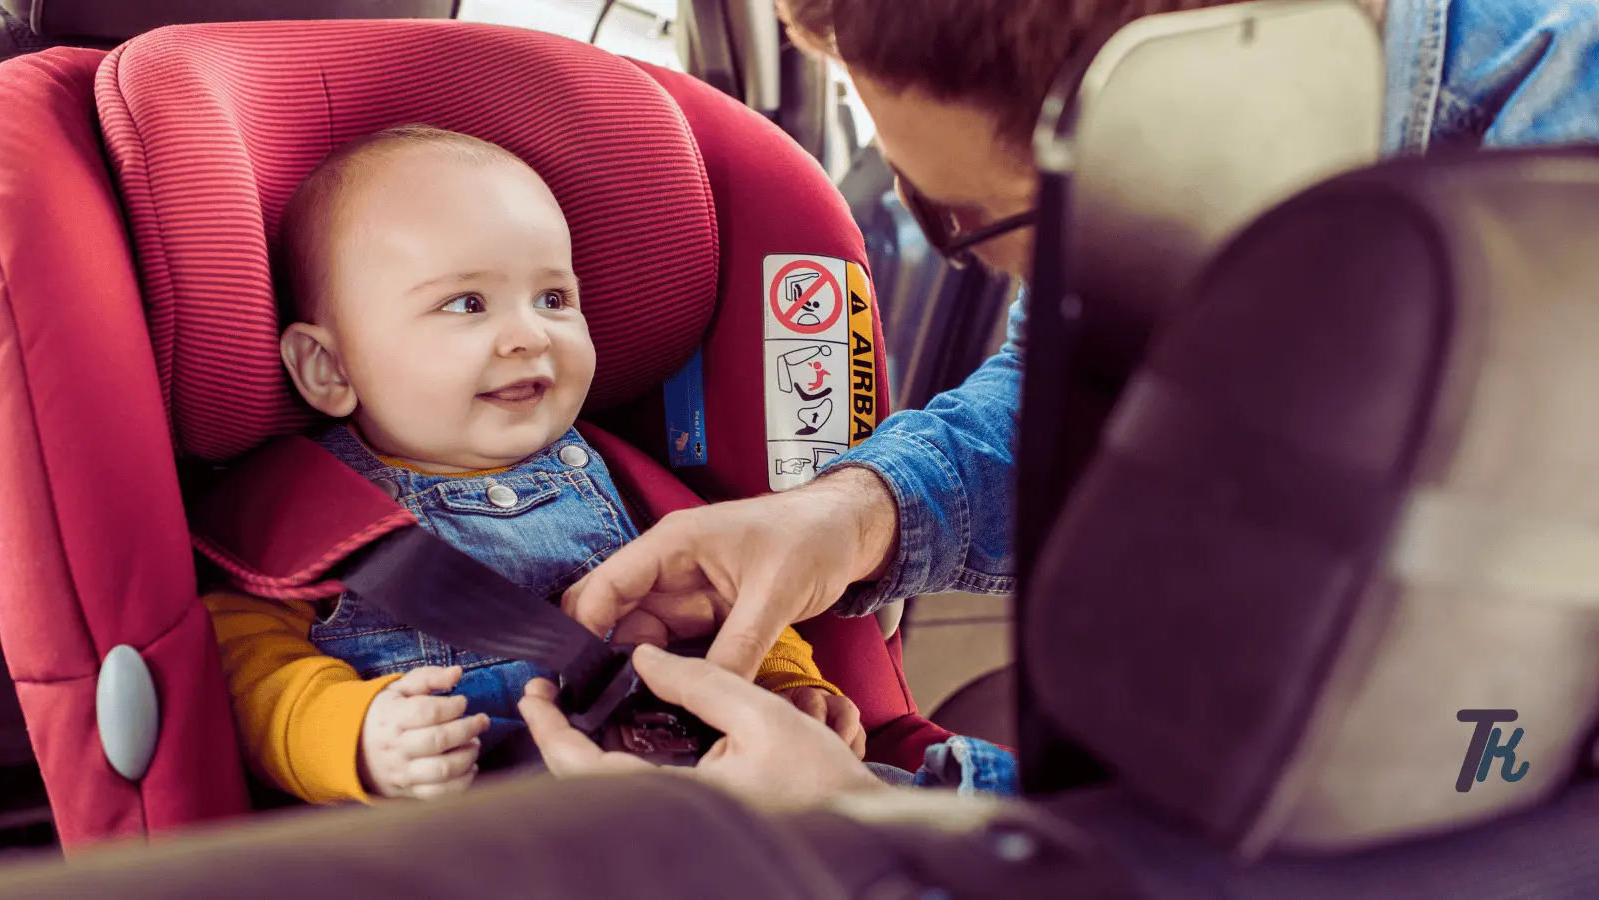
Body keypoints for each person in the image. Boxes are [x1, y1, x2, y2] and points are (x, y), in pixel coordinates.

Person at [547, 0, 1599, 797]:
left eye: (976, 217)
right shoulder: (1167, 164)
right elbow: (1091, 370)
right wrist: (849, 515)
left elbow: (1470, 792)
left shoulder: (1563, 179)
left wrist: (880, 832)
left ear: (1185, 101)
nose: (989, 270)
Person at [199, 125, 866, 805]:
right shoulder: (304, 520)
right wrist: (360, 738)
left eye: (553, 299)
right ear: (329, 367)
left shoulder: (626, 482)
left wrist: (787, 684)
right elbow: (251, 672)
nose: (529, 336)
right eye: (466, 304)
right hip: (483, 837)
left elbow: (729, 595)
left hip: (689, 800)